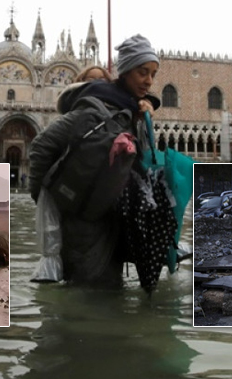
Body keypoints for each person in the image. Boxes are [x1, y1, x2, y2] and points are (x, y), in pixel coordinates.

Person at [29, 34, 160, 287]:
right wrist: (46, 200)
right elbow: (41, 146)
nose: (149, 81)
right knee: (89, 296)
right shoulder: (91, 111)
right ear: (125, 71)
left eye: (153, 74)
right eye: (143, 72)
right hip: (82, 226)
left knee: (109, 294)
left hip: (112, 223)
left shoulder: (128, 111)